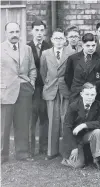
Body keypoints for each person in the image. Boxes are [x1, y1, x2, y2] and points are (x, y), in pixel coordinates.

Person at [1, 22, 37, 163]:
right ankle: (2, 155)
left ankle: (22, 153)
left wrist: (32, 83)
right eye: (11, 32)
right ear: (6, 33)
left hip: (24, 91)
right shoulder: (0, 49)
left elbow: (32, 68)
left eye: (17, 31)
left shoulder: (27, 49)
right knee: (3, 126)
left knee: (22, 124)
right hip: (6, 92)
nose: (14, 34)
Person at [40, 28, 75, 160]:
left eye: (61, 38)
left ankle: (65, 150)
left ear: (65, 40)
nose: (59, 41)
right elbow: (43, 72)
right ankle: (52, 151)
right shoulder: (45, 54)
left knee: (65, 119)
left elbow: (72, 72)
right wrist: (49, 83)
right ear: (52, 40)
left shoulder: (71, 52)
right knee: (53, 120)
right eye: (56, 38)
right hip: (51, 89)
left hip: (66, 90)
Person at [61, 82, 100, 170]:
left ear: (96, 94)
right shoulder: (73, 106)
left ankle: (97, 159)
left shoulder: (99, 105)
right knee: (78, 165)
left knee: (98, 132)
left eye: (92, 94)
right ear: (82, 94)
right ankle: (66, 157)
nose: (90, 97)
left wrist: (84, 125)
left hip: (87, 136)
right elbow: (67, 128)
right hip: (75, 139)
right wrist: (74, 147)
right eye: (87, 94)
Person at [27, 20, 51, 157]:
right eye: (36, 30)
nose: (39, 33)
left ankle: (43, 148)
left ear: (45, 32)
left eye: (42, 30)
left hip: (44, 88)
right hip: (31, 89)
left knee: (44, 119)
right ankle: (30, 150)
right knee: (31, 120)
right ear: (32, 31)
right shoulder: (26, 47)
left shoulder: (49, 47)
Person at [64, 33, 100, 102]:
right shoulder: (73, 58)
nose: (91, 48)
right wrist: (76, 89)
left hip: (95, 96)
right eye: (88, 45)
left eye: (93, 45)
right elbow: (68, 77)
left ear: (96, 45)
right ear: (82, 45)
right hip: (77, 95)